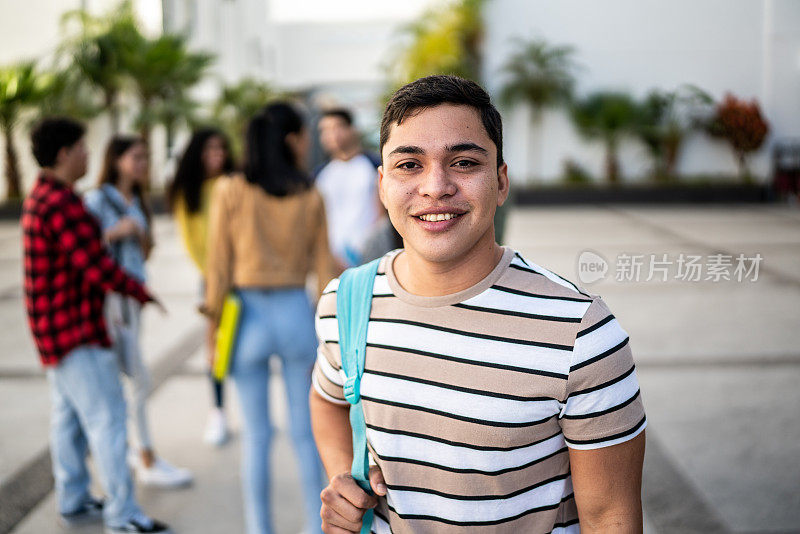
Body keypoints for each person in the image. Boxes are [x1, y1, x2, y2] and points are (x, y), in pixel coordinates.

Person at [310, 75, 647, 534]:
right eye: (409, 164)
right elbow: (328, 399)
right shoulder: (346, 302)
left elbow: (611, 516)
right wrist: (344, 475)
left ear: (501, 181)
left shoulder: (580, 331)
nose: (436, 186)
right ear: (383, 185)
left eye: (464, 162)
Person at [22, 117, 171, 534]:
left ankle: (73, 501)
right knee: (109, 419)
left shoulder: (45, 197)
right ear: (65, 153)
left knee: (67, 418)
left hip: (57, 332)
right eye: (83, 148)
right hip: (76, 333)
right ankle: (123, 516)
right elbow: (97, 268)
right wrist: (144, 294)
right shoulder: (61, 204)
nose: (90, 154)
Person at [202, 102, 340, 534]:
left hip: (246, 318)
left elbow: (218, 267)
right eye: (302, 134)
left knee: (257, 437)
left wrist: (212, 333)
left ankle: (259, 528)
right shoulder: (310, 193)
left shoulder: (231, 189)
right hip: (296, 314)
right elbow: (324, 274)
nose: (306, 142)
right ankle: (315, 526)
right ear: (288, 139)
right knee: (307, 433)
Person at [84, 136, 193, 488]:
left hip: (132, 298)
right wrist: (119, 231)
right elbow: (82, 248)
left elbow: (143, 254)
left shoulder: (138, 201)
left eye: (146, 157)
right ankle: (143, 455)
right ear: (115, 160)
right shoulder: (98, 200)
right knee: (136, 379)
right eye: (136, 157)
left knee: (129, 378)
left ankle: (136, 451)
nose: (143, 163)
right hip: (110, 300)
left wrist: (139, 235)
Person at [168, 127, 236, 446]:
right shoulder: (188, 191)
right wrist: (216, 278)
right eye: (210, 149)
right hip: (213, 280)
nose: (217, 156)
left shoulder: (235, 183)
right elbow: (192, 242)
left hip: (245, 276)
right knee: (217, 349)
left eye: (221, 149)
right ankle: (218, 411)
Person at [315, 108, 381, 268]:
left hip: (369, 257)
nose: (331, 135)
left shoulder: (374, 166)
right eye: (325, 130)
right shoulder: (320, 175)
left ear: (352, 129)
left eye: (336, 127)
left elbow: (383, 214)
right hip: (331, 260)